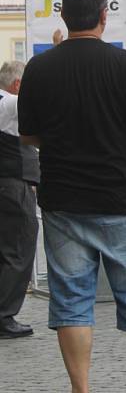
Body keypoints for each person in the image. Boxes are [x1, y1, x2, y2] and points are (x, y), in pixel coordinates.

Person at [16, 0, 126, 392]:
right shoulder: (123, 64)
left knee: (73, 298)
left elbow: (28, 136)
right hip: (119, 198)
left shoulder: (39, 68)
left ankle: (81, 388)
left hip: (62, 200)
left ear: (63, 14)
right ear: (103, 16)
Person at [0, 61, 40, 339]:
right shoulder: (11, 103)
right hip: (14, 183)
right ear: (17, 85)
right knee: (19, 249)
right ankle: (4, 316)